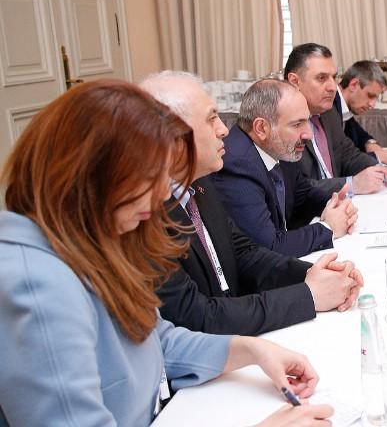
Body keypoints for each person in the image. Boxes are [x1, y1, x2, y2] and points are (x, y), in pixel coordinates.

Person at [0, 80, 331, 425]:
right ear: (95, 176)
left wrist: (251, 350)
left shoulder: (94, 239)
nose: (162, 192)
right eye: (150, 174)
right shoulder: (36, 285)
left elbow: (156, 340)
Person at [140, 71, 363, 336]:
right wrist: (309, 295)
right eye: (211, 119)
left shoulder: (200, 183)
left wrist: (315, 275)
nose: (224, 129)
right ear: (171, 137)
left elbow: (243, 253)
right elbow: (195, 316)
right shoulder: (144, 213)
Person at [211, 79, 357, 258]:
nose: (308, 134)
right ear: (261, 128)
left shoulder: (277, 144)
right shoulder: (236, 166)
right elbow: (270, 246)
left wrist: (334, 204)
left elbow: (303, 194)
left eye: (307, 121)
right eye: (297, 124)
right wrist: (328, 228)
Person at [283, 45, 387, 197]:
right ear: (294, 82)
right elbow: (297, 189)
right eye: (321, 78)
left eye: (334, 77)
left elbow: (348, 155)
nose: (333, 87)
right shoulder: (281, 125)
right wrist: (352, 184)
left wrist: (384, 170)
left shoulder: (327, 112)